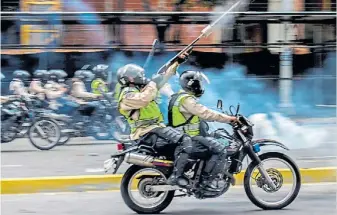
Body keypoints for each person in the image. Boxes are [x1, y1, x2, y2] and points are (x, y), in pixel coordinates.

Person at [117, 52, 193, 187]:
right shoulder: (127, 96)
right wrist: (152, 83)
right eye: (139, 75)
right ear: (130, 78)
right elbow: (144, 99)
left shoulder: (144, 89)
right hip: (147, 132)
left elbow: (164, 77)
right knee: (185, 140)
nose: (142, 77)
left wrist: (177, 62)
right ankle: (177, 176)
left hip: (156, 129)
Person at [167, 70, 238, 191]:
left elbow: (197, 112)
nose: (200, 86)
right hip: (190, 138)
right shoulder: (186, 100)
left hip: (182, 137)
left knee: (212, 140)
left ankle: (201, 175)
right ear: (192, 85)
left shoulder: (179, 97)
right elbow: (205, 113)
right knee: (220, 149)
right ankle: (206, 182)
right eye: (198, 83)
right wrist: (229, 119)